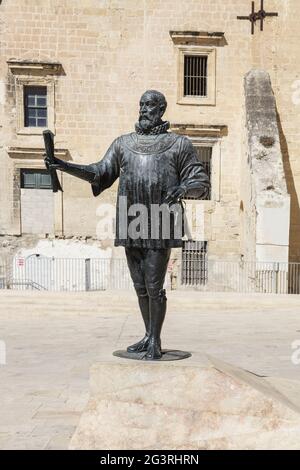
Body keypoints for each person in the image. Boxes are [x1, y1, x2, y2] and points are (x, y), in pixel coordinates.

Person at [45, 90, 210, 360]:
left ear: (161, 109)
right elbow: (100, 172)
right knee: (140, 286)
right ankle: (147, 335)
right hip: (130, 222)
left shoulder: (179, 144)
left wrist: (183, 188)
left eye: (150, 105)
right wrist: (62, 165)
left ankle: (155, 339)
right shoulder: (123, 144)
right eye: (141, 104)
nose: (144, 109)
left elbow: (200, 181)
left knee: (155, 286)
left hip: (161, 222)